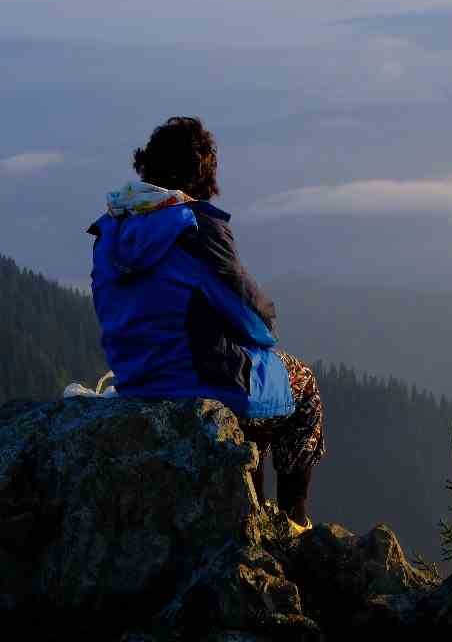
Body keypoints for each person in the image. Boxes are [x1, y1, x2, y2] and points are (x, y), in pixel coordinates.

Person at [87, 116, 325, 531]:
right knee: (301, 386)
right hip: (198, 382)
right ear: (204, 173)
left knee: (253, 389)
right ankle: (293, 524)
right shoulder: (196, 229)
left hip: (137, 380)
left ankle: (251, 502)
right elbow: (255, 320)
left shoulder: (110, 230)